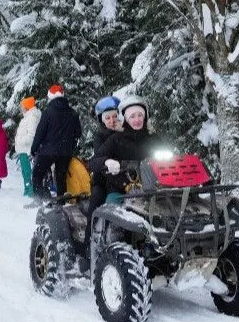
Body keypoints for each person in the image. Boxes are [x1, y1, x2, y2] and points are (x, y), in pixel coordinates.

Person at [90, 94, 164, 203]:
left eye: (140, 115)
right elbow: (93, 162)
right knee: (110, 207)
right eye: (132, 116)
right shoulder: (116, 139)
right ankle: (96, 220)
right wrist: (107, 162)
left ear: (145, 116)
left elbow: (169, 155)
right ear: (125, 119)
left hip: (154, 186)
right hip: (121, 187)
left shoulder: (152, 137)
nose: (137, 119)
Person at [28, 83, 82, 205]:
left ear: (50, 97)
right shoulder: (72, 113)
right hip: (66, 151)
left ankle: (38, 200)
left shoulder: (48, 112)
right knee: (61, 176)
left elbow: (40, 133)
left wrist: (33, 149)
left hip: (48, 151)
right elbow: (78, 133)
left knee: (37, 173)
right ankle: (61, 201)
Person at [83, 95, 122, 249]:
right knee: (95, 205)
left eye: (114, 116)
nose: (112, 121)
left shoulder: (126, 131)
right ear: (102, 120)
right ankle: (88, 245)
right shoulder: (100, 135)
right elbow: (99, 155)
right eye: (107, 118)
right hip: (103, 181)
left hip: (123, 181)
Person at [14, 96, 41, 197]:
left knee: (28, 172)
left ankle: (31, 191)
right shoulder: (27, 117)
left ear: (27, 107)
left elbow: (31, 135)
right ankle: (27, 190)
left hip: (27, 149)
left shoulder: (32, 117)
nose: (21, 109)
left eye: (23, 106)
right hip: (23, 149)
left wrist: (20, 141)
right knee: (25, 172)